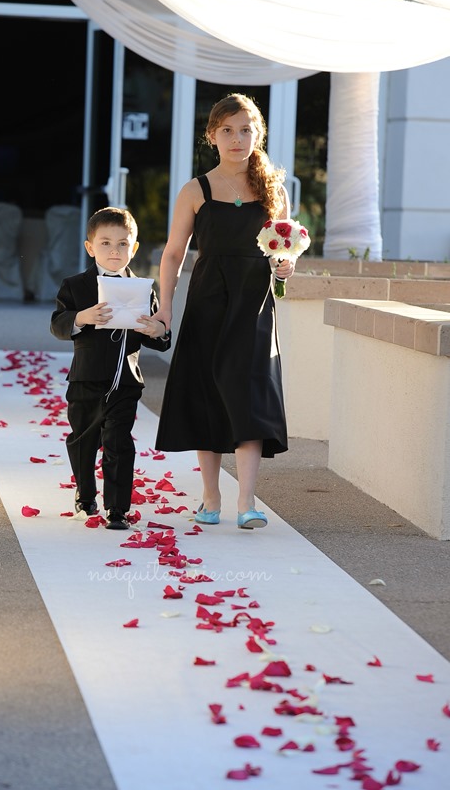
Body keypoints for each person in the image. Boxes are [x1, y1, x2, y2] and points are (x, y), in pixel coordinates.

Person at [153, 93, 295, 530]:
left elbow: (284, 252)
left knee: (250, 395)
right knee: (207, 394)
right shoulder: (196, 190)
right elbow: (174, 254)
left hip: (254, 305)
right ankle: (211, 496)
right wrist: (165, 310)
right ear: (213, 136)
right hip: (209, 301)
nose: (238, 138)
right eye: (228, 130)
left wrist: (286, 269)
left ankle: (247, 502)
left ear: (258, 135)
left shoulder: (274, 189)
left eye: (246, 130)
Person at [51, 207, 171, 530]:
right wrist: (81, 318)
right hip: (85, 380)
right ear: (90, 247)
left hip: (124, 382)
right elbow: (58, 324)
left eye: (122, 244)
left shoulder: (144, 289)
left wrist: (157, 331)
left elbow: (161, 338)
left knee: (119, 443)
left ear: (134, 249)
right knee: (83, 441)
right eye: (105, 243)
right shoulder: (76, 286)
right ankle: (85, 493)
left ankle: (117, 509)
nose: (114, 251)